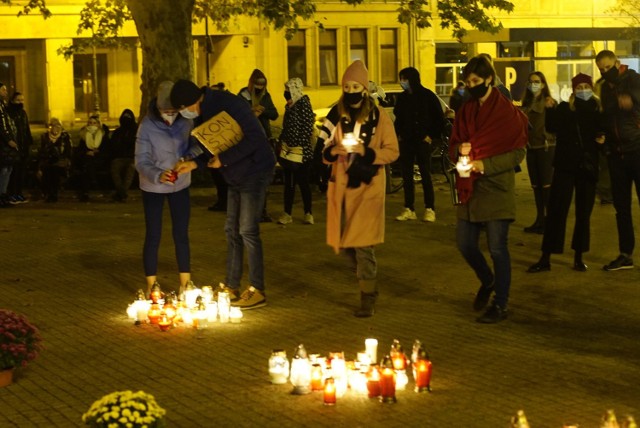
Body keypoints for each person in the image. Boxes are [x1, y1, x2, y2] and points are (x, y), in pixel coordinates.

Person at [171, 78, 276, 310]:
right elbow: (213, 143)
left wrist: (225, 159)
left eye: (183, 108)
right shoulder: (202, 111)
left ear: (192, 101)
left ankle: (257, 289)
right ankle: (231, 285)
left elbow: (255, 138)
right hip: (235, 174)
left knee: (247, 230)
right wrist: (194, 163)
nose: (183, 113)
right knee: (231, 230)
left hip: (255, 169)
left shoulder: (228, 104)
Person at [448, 55, 528, 324]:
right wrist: (459, 150)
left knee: (497, 248)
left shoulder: (507, 113)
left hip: (495, 188)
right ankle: (488, 280)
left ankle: (500, 304)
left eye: (475, 81)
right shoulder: (466, 111)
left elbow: (518, 153)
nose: (471, 86)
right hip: (469, 187)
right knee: (465, 243)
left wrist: (486, 164)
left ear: (489, 79)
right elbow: (454, 143)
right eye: (467, 81)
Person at [321, 60, 399, 317]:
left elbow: (392, 152)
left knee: (363, 243)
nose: (351, 90)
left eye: (356, 85)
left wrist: (366, 152)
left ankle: (368, 294)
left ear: (365, 89)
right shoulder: (335, 115)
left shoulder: (379, 116)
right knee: (346, 243)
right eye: (347, 86)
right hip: (342, 188)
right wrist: (334, 151)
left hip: (368, 186)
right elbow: (322, 151)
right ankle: (365, 277)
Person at [527, 73, 606, 273]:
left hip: (586, 168)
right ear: (573, 90)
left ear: (591, 88)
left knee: (583, 214)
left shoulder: (598, 110)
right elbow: (552, 128)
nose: (583, 91)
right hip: (565, 166)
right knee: (556, 211)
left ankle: (578, 257)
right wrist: (551, 109)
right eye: (579, 88)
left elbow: (603, 136)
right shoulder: (565, 108)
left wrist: (602, 142)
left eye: (586, 87)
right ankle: (546, 257)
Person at [135, 81, 195, 295]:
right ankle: (152, 284)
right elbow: (140, 160)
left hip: (180, 184)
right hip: (153, 187)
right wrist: (158, 175)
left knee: (181, 233)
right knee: (154, 234)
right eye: (165, 112)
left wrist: (188, 159)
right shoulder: (147, 125)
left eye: (173, 111)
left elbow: (194, 145)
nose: (169, 115)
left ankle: (185, 282)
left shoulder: (186, 122)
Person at [595, 49, 640, 271]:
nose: (605, 72)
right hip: (617, 154)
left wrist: (631, 99)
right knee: (621, 207)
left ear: (617, 63)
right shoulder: (603, 87)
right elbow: (605, 116)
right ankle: (625, 254)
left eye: (607, 67)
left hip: (637, 149)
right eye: (601, 69)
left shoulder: (632, 79)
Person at [393, 66, 445, 223]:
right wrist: (399, 135)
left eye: (404, 79)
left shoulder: (427, 96)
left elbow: (439, 118)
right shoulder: (402, 98)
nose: (402, 82)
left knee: (425, 174)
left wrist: (431, 136)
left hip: (422, 141)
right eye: (401, 79)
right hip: (407, 141)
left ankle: (430, 208)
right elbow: (398, 118)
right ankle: (409, 208)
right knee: (407, 175)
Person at [238, 69, 278, 222]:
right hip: (248, 140)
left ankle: (262, 210)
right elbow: (236, 115)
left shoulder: (265, 96)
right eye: (257, 84)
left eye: (263, 85)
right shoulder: (242, 97)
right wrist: (250, 112)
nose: (260, 88)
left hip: (264, 139)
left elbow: (274, 114)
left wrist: (263, 111)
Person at [521, 71, 557, 234]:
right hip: (531, 148)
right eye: (530, 81)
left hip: (545, 148)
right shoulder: (527, 104)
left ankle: (550, 221)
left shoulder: (548, 102)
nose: (533, 84)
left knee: (546, 187)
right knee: (536, 187)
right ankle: (540, 219)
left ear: (543, 84)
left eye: (536, 81)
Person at [277, 77, 315, 225]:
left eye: (288, 91)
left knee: (303, 183)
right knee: (289, 183)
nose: (286, 94)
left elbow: (307, 127)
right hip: (288, 151)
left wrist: (296, 143)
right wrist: (283, 141)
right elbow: (287, 126)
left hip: (301, 152)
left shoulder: (303, 103)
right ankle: (287, 213)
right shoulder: (289, 106)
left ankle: (308, 212)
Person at [73, 114, 110, 202]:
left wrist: (97, 152)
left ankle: (86, 192)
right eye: (90, 123)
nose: (92, 125)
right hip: (87, 159)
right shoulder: (84, 135)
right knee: (87, 165)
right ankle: (91, 184)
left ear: (98, 124)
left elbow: (106, 150)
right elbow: (79, 150)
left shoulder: (103, 135)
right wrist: (87, 152)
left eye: (94, 123)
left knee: (87, 167)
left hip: (99, 160)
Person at [37, 118, 72, 203]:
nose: (55, 127)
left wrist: (62, 159)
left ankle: (53, 194)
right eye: (53, 125)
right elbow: (41, 151)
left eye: (58, 125)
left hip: (61, 161)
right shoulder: (45, 137)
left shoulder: (65, 137)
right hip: (47, 161)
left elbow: (68, 152)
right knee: (48, 170)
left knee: (55, 170)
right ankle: (49, 193)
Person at [7, 92, 33, 203]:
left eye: (22, 100)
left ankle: (18, 193)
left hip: (23, 146)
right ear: (12, 100)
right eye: (18, 100)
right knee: (14, 172)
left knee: (21, 172)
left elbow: (26, 128)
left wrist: (29, 142)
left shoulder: (23, 113)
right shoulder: (9, 112)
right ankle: (12, 193)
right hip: (14, 146)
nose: (20, 102)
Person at [109, 109, 138, 202]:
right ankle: (122, 193)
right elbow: (113, 145)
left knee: (131, 168)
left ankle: (120, 193)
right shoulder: (118, 132)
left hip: (133, 158)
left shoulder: (137, 131)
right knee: (115, 167)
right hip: (120, 158)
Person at [0, 82, 18, 208]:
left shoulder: (3, 105)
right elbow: (1, 126)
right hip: (2, 143)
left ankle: (3, 194)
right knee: (4, 169)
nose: (6, 92)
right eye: (3, 90)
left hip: (6, 142)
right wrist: (8, 139)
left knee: (8, 168)